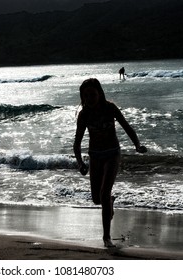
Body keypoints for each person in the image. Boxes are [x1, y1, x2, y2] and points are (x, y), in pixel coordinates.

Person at [73, 78, 147, 248]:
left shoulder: (110, 108)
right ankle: (110, 203)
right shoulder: (84, 114)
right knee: (96, 199)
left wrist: (137, 145)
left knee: (104, 193)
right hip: (95, 156)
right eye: (86, 95)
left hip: (112, 154)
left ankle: (106, 237)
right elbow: (77, 143)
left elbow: (127, 127)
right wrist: (80, 163)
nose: (90, 98)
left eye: (92, 94)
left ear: (99, 93)